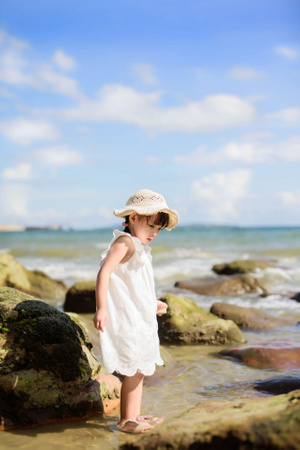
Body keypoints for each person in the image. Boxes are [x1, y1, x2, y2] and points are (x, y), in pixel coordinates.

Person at [93, 189, 179, 433]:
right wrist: (101, 308)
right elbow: (104, 273)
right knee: (133, 368)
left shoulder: (138, 245)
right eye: (151, 225)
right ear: (132, 218)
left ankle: (135, 415)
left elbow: (134, 284)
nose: (154, 233)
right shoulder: (124, 243)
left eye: (158, 229)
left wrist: (153, 303)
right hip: (126, 318)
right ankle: (126, 420)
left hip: (138, 315)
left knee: (140, 368)